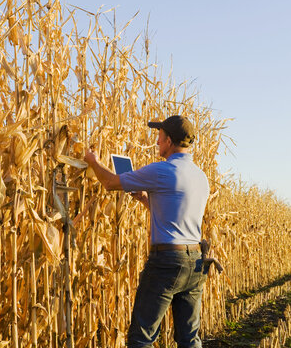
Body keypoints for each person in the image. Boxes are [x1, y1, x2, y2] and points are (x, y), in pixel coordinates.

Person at [83, 115, 210, 348]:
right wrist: (145, 200)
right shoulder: (200, 176)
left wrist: (92, 161)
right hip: (196, 262)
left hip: (167, 263)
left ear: (170, 140)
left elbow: (111, 183)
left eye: (160, 137)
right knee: (189, 339)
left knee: (141, 339)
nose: (157, 142)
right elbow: (179, 213)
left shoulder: (162, 171)